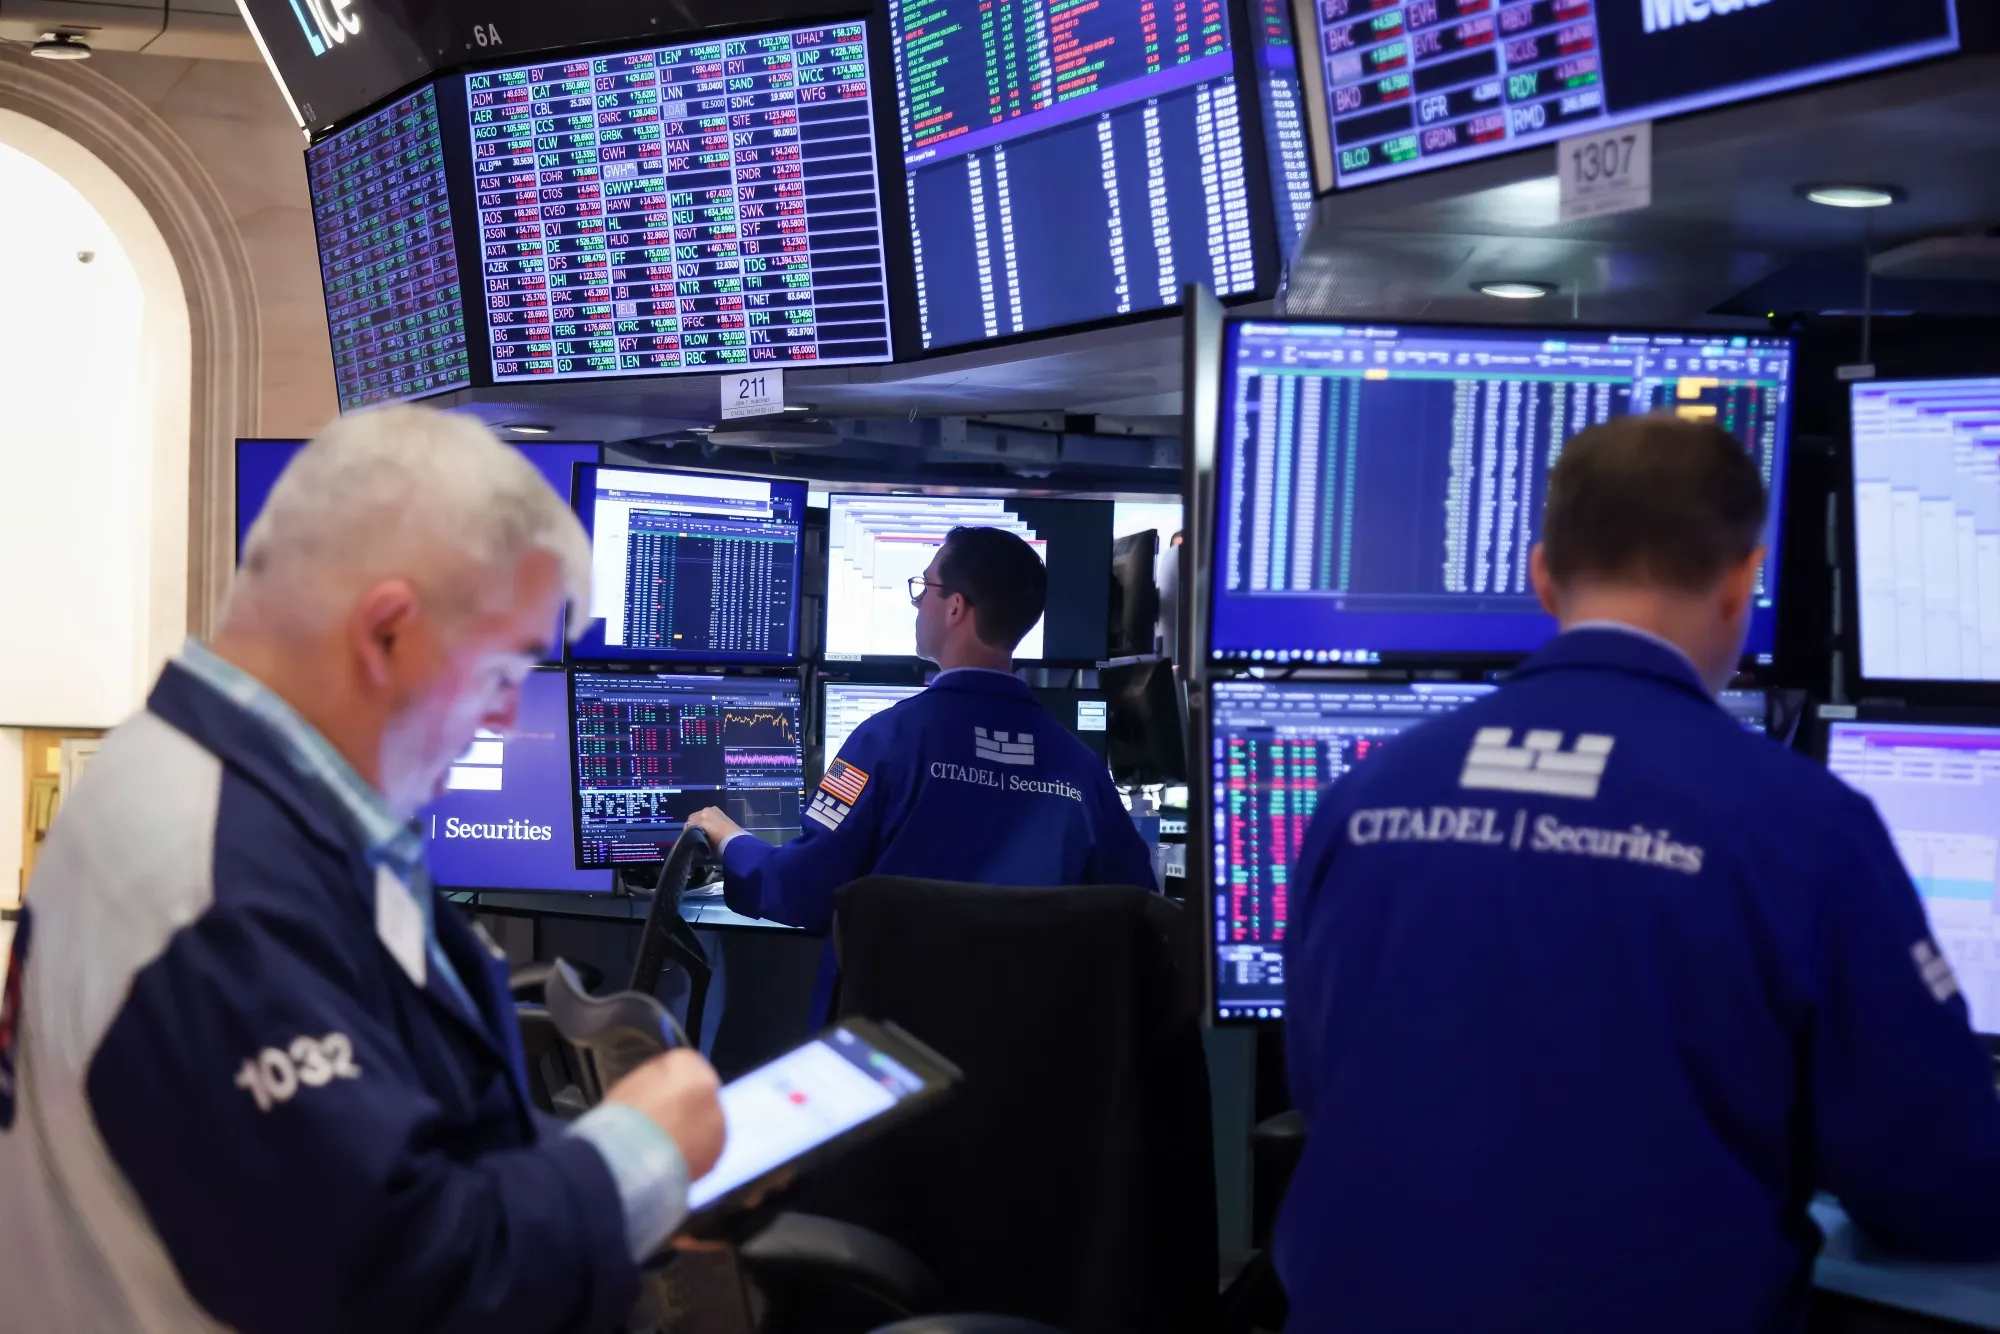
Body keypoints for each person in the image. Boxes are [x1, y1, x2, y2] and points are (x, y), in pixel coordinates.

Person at [0, 408, 727, 1333]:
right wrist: (638, 1155)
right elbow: (403, 1283)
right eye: (505, 670)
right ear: (387, 631)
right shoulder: (217, 884)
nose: (505, 717)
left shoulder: (195, 780)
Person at [1277, 415, 2000, 1333]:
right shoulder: (1803, 824)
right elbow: (1939, 1181)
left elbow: (1325, 1088)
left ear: (1542, 575)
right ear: (1744, 581)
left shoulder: (1361, 798)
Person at [688, 526, 1157, 1018]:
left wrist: (731, 841)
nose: (918, 604)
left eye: (924, 588)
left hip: (888, 1055)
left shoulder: (885, 742)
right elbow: (1137, 914)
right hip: (1028, 1066)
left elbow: (804, 890)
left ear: (955, 607)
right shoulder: (1082, 770)